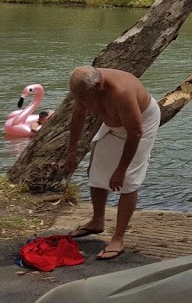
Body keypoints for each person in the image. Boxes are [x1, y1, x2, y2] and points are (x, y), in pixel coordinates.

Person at [61, 66, 160, 261]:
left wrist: (121, 169)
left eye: (85, 99)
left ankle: (118, 237)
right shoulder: (84, 88)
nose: (82, 103)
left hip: (141, 125)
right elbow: (78, 116)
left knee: (127, 180)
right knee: (96, 169)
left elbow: (136, 133)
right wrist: (71, 152)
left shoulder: (122, 92)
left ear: (99, 86)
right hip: (113, 123)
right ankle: (97, 220)